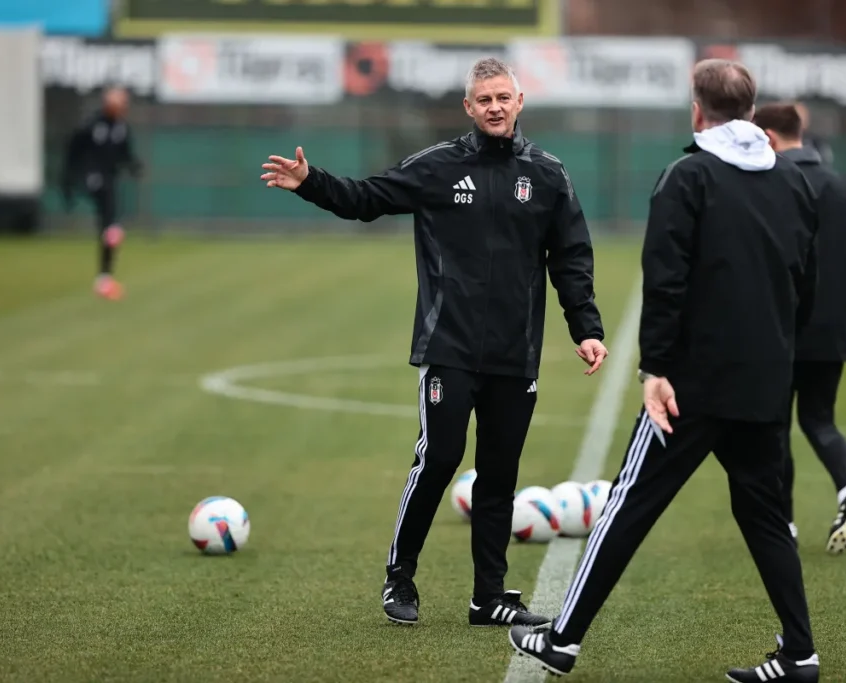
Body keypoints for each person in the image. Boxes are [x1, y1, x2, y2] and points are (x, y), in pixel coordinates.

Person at [260, 57, 608, 628]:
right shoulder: (438, 167)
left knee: (499, 474)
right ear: (468, 108)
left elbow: (570, 257)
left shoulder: (548, 174)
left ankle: (488, 598)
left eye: (504, 97)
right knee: (440, 458)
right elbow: (365, 198)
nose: (495, 106)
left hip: (514, 353)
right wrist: (310, 183)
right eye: (484, 99)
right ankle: (400, 578)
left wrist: (587, 328)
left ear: (520, 101)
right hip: (449, 347)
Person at [508, 59, 822, 683]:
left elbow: (666, 278)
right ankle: (801, 655)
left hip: (692, 385)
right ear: (752, 112)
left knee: (628, 503)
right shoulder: (793, 182)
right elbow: (803, 283)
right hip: (764, 380)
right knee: (765, 513)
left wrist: (655, 367)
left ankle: (562, 641)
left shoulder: (688, 175)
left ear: (696, 110)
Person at [754, 102, 846, 554]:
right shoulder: (844, 186)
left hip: (780, 327)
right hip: (830, 328)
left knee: (775, 425)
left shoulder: (769, 182)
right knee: (819, 419)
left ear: (768, 137)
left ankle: (784, 524)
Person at [61, 86, 142, 300]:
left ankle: (104, 278)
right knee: (107, 205)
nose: (122, 108)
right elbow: (74, 151)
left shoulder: (121, 128)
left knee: (108, 226)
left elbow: (125, 153)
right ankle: (112, 228)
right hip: (92, 177)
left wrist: (133, 165)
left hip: (109, 178)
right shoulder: (92, 125)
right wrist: (69, 181)